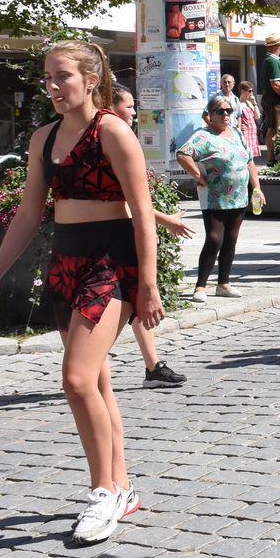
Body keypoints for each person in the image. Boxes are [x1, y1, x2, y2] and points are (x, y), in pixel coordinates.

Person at [0, 41, 161, 544]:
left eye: (63, 76)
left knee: (76, 379)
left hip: (111, 262)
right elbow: (28, 213)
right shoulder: (44, 137)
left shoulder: (113, 131)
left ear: (91, 79)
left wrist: (148, 285)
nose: (53, 86)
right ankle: (122, 486)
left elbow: (143, 214)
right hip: (65, 261)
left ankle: (103, 493)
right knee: (96, 381)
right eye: (48, 78)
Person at [108, 85, 189, 390]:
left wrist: (151, 227)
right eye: (129, 106)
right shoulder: (111, 141)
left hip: (128, 232)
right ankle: (90, 368)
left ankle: (153, 367)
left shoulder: (122, 138)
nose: (134, 112)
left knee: (136, 301)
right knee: (129, 301)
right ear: (112, 107)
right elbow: (124, 200)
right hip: (114, 237)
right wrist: (163, 221)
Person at [176, 95, 258, 301]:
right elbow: (183, 154)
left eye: (229, 111)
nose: (225, 115)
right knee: (214, 239)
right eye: (220, 111)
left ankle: (223, 283)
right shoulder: (203, 136)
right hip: (215, 196)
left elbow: (249, 161)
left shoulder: (237, 133)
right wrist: (199, 176)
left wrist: (257, 188)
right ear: (210, 115)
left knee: (231, 239)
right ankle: (200, 287)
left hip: (239, 196)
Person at [259, 36, 280, 155]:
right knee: (273, 128)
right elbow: (275, 84)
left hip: (279, 100)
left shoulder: (275, 60)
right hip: (273, 100)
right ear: (278, 46)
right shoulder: (271, 61)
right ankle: (271, 158)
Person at [233, 80, 261, 158]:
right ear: (242, 91)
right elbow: (235, 117)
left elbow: (257, 116)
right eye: (249, 91)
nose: (251, 94)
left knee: (251, 155)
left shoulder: (249, 103)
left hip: (252, 131)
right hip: (245, 132)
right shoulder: (238, 104)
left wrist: (254, 104)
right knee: (245, 154)